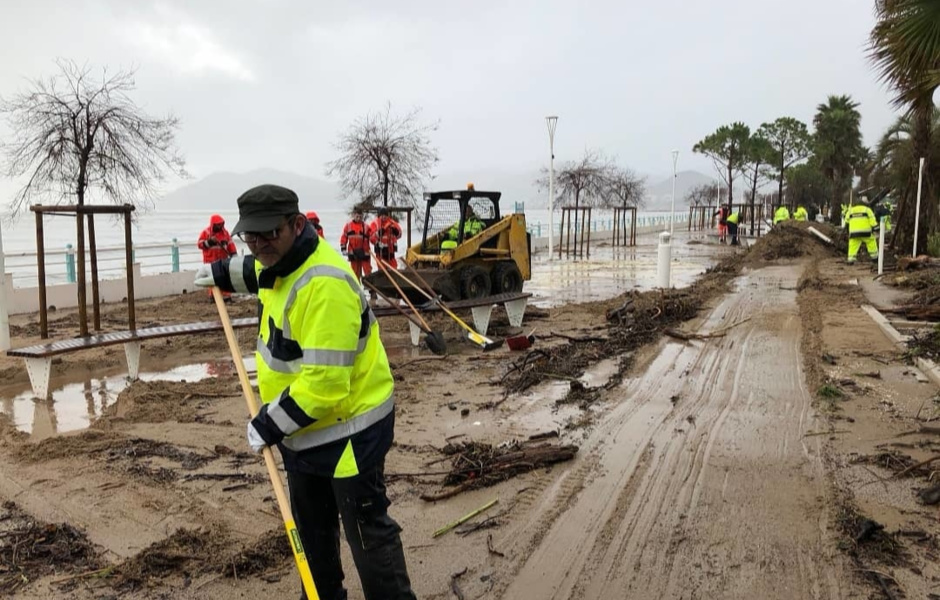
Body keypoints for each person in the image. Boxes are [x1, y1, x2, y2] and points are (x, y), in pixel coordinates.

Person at [193, 185, 416, 600]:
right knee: (312, 539)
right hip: (302, 435)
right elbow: (258, 272)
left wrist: (266, 423)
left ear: (297, 226)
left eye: (268, 235)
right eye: (251, 237)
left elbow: (325, 385)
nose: (259, 246)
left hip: (351, 432)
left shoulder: (325, 285)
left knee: (368, 538)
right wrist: (221, 271)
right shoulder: (278, 261)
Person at [197, 215, 237, 299]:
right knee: (213, 278)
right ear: (213, 224)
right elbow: (200, 244)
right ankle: (214, 295)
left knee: (225, 276)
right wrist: (210, 242)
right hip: (210, 260)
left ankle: (226, 294)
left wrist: (234, 254)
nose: (219, 226)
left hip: (223, 260)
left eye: (220, 224)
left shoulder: (225, 233)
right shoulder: (206, 233)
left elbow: (230, 244)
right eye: (217, 224)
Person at [340, 209, 372, 280]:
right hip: (353, 252)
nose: (358, 218)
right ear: (354, 215)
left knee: (367, 271)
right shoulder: (348, 226)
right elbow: (344, 237)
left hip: (364, 252)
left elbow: (372, 236)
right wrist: (343, 248)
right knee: (354, 272)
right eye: (357, 216)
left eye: (360, 217)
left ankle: (370, 288)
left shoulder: (366, 226)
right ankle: (356, 288)